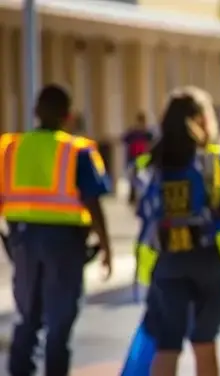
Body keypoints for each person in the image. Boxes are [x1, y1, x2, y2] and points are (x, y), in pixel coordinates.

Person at [130, 87, 220, 376]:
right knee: (205, 343)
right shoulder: (215, 162)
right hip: (207, 259)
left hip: (166, 260)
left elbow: (143, 214)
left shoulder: (149, 165)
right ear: (201, 119)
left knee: (167, 345)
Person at [3, 84, 114, 376]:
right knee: (59, 321)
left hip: (23, 239)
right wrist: (106, 246)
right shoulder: (76, 151)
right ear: (68, 116)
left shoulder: (11, 148)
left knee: (27, 316)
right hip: (65, 243)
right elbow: (93, 202)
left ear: (35, 112)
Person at [123, 112, 156, 203]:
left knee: (140, 176)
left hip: (142, 157)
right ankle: (134, 196)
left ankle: (138, 195)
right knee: (135, 176)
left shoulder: (146, 132)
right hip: (137, 157)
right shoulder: (136, 132)